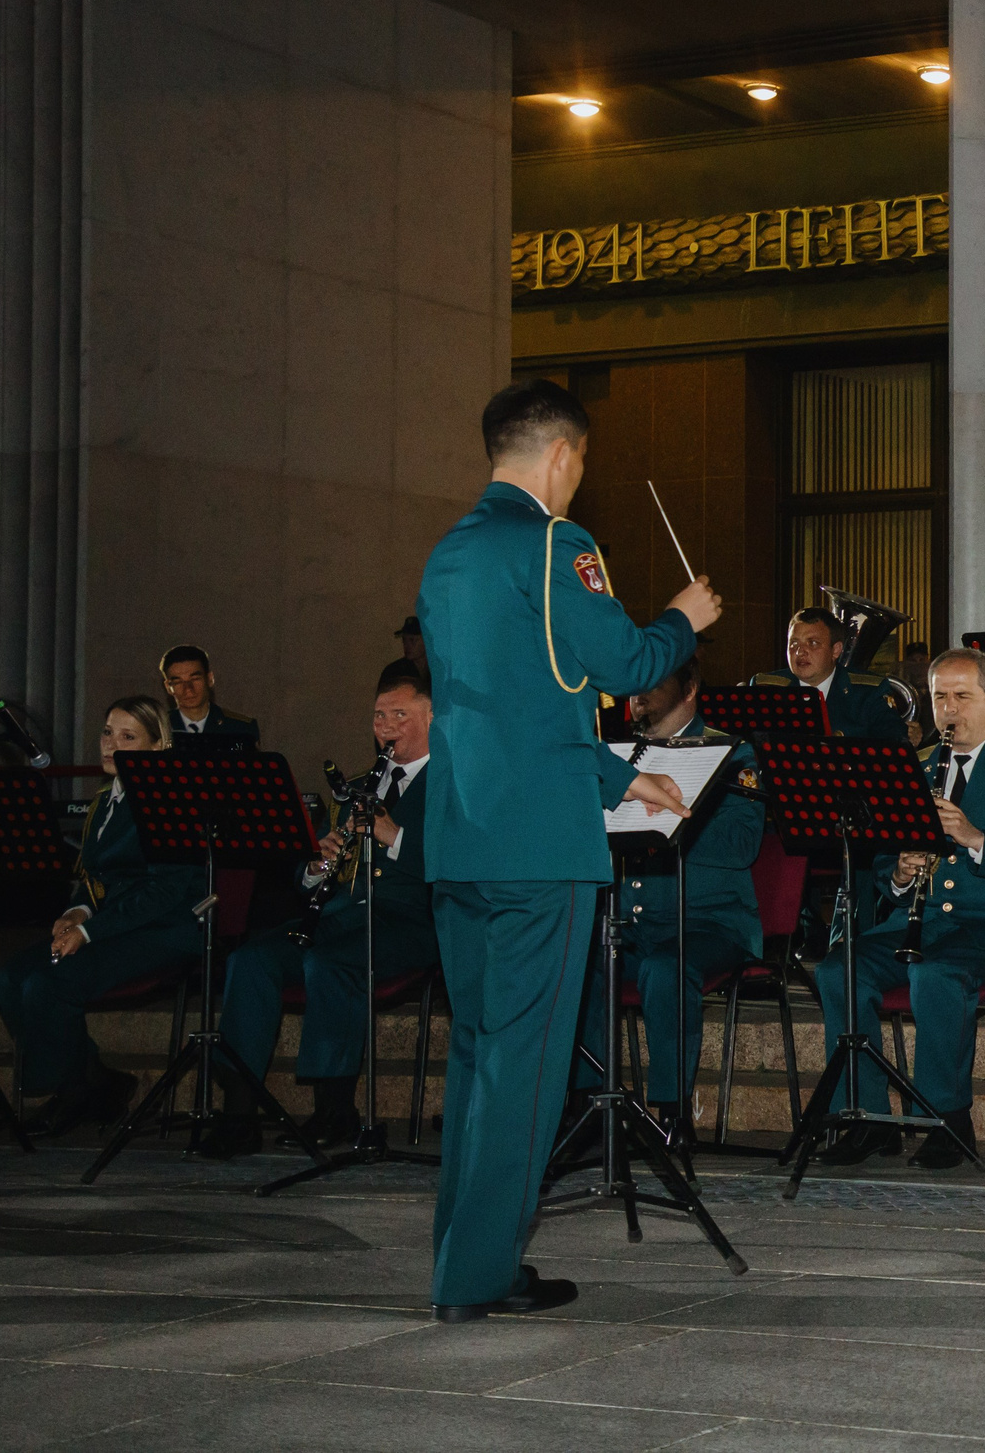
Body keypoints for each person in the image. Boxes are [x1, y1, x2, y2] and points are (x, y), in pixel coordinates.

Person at [416, 378, 718, 1323]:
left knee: (478, 1058)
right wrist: (683, 618)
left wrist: (624, 777)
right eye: (581, 463)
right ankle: (477, 1280)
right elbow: (627, 664)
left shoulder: (447, 555)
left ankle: (463, 1257)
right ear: (559, 455)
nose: (579, 481)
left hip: (461, 840)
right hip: (540, 854)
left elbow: (511, 707)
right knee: (528, 1069)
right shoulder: (558, 544)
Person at [813, 647, 985, 1169]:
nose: (950, 710)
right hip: (922, 922)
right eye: (940, 698)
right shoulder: (915, 765)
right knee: (840, 969)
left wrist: (974, 837)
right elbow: (884, 863)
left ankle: (947, 1121)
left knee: (936, 977)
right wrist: (902, 873)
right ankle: (865, 1117)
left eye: (963, 697)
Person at [202, 662, 441, 1159]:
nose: (386, 726)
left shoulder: (456, 783)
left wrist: (392, 835)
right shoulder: (358, 785)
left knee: (328, 962)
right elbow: (306, 874)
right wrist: (316, 866)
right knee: (251, 958)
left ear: (434, 718)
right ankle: (239, 1111)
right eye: (378, 716)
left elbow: (461, 861)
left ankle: (335, 1107)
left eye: (400, 713)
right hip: (341, 913)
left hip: (416, 919)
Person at [0, 694, 204, 1136]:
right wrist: (77, 909)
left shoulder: (171, 800)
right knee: (9, 978)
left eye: (128, 736)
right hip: (111, 925)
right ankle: (95, 1082)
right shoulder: (105, 800)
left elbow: (163, 894)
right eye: (108, 732)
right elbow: (93, 876)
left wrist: (90, 931)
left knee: (47, 983)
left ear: (157, 747)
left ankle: (72, 1094)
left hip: (163, 930)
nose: (111, 745)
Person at [573, 658, 764, 1142]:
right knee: (575, 960)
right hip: (630, 922)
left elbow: (742, 845)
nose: (637, 693)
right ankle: (588, 1104)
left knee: (666, 967)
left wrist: (669, 816)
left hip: (707, 922)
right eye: (631, 683)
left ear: (690, 689)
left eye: (653, 682)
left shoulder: (731, 755)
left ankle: (670, 1112)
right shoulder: (614, 758)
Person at [748, 608, 903, 740]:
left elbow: (892, 745)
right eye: (793, 643)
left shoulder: (868, 692)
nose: (800, 651)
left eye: (812, 643)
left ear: (835, 650)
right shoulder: (766, 687)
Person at [158, 646, 258, 742]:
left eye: (195, 679)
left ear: (210, 679)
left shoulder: (240, 728)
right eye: (178, 682)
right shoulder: (158, 729)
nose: (188, 689)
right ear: (168, 687)